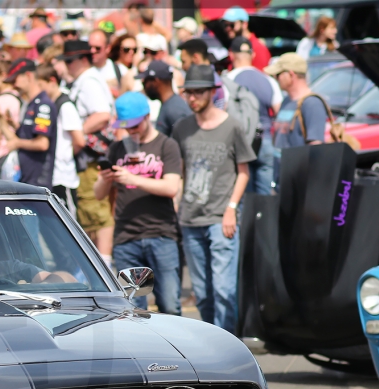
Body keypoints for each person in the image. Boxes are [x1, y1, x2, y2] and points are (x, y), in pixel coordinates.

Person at [172, 64, 256, 334]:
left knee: (224, 291)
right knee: (203, 293)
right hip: (190, 218)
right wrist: (176, 200)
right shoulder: (182, 128)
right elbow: (180, 169)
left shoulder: (232, 126)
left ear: (212, 91)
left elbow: (243, 172)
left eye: (198, 92)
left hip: (221, 218)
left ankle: (228, 345)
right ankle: (212, 343)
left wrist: (231, 208)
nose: (192, 98)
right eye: (188, 93)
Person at [94, 93, 183, 314]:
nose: (130, 130)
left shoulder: (166, 145)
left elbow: (172, 187)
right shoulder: (117, 148)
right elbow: (98, 193)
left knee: (169, 304)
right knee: (134, 308)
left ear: (147, 117)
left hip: (161, 234)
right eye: (126, 126)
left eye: (134, 125)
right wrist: (106, 179)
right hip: (127, 238)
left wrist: (133, 179)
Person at [59, 39, 114, 262]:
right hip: (89, 158)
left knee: (96, 211)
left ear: (83, 59)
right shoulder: (86, 79)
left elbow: (102, 115)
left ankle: (105, 266)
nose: (68, 65)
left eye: (70, 61)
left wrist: (77, 133)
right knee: (89, 211)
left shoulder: (89, 80)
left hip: (92, 158)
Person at [227, 37, 279, 195]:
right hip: (265, 140)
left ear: (231, 55)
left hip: (241, 142)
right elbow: (278, 111)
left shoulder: (229, 80)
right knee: (265, 198)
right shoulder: (268, 80)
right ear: (253, 55)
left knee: (243, 197)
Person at [0, 59, 55, 190]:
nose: (14, 85)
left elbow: (42, 143)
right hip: (27, 179)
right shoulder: (30, 104)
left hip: (39, 182)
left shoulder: (42, 105)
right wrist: (3, 121)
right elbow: (25, 138)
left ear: (28, 75)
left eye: (15, 80)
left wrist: (17, 143)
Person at [37, 63, 83, 211]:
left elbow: (79, 141)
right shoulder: (50, 104)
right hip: (52, 174)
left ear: (52, 81)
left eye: (41, 85)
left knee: (68, 222)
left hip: (64, 176)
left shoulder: (65, 106)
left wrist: (65, 155)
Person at [267, 52, 327, 152]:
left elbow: (315, 147)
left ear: (291, 74)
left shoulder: (312, 103)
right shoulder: (286, 101)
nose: (276, 79)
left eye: (278, 75)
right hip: (282, 167)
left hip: (298, 167)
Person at [141, 60, 191, 138]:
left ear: (155, 81)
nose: (143, 86)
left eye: (145, 82)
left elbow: (186, 143)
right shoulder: (169, 105)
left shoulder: (174, 110)